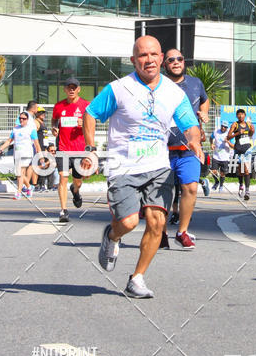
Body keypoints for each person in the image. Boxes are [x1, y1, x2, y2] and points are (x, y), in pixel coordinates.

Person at [83, 35, 202, 299]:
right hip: (123, 166)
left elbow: (190, 125)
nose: (148, 60)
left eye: (153, 55)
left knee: (157, 221)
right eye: (142, 55)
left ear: (161, 58)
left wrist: (195, 141)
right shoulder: (118, 89)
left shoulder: (174, 93)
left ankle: (137, 278)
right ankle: (112, 236)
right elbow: (90, 113)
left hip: (158, 166)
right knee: (127, 222)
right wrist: (90, 149)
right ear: (134, 60)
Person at [163, 48, 209, 249]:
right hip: (162, 149)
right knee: (162, 193)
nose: (175, 62)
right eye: (171, 59)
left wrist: (203, 113)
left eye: (179, 59)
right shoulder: (158, 85)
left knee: (190, 188)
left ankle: (182, 231)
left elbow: (205, 101)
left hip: (189, 148)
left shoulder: (195, 83)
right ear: (165, 64)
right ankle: (161, 233)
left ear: (184, 62)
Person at [51, 77, 89, 223]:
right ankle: (63, 211)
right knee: (62, 177)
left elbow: (92, 124)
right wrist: (54, 127)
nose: (71, 90)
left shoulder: (86, 105)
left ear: (79, 89)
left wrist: (84, 122)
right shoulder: (59, 106)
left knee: (78, 181)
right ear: (65, 90)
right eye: (69, 87)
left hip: (79, 149)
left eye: (74, 87)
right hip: (63, 148)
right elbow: (54, 120)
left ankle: (76, 190)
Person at [0, 111, 41, 199]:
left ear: (28, 120)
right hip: (17, 153)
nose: (22, 120)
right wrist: (0, 149)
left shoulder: (31, 130)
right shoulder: (15, 129)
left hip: (27, 154)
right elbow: (9, 141)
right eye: (20, 118)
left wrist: (40, 156)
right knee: (19, 173)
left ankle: (18, 192)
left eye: (24, 119)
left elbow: (37, 144)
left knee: (20, 172)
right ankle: (28, 187)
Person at [227, 109, 255, 200]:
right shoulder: (235, 124)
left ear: (245, 115)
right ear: (236, 116)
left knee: (246, 170)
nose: (240, 116)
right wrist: (238, 133)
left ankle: (247, 191)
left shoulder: (248, 124)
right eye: (239, 115)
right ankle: (241, 185)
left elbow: (250, 134)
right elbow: (228, 136)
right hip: (238, 150)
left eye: (242, 114)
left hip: (247, 149)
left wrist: (252, 131)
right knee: (240, 170)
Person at [210, 121, 232, 191]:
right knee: (213, 171)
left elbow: (233, 146)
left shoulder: (230, 134)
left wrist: (228, 141)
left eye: (225, 127)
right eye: (222, 126)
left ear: (227, 128)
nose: (223, 128)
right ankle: (216, 182)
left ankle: (221, 185)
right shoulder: (216, 132)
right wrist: (212, 144)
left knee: (222, 173)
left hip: (225, 157)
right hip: (216, 155)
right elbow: (211, 137)